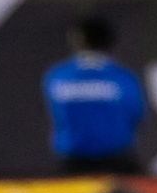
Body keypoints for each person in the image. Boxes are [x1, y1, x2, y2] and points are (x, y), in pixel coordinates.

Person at [42, 17, 146, 175]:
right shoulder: (122, 76)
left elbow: (57, 114)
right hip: (117, 162)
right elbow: (137, 115)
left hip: (72, 162)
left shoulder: (58, 75)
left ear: (77, 41)